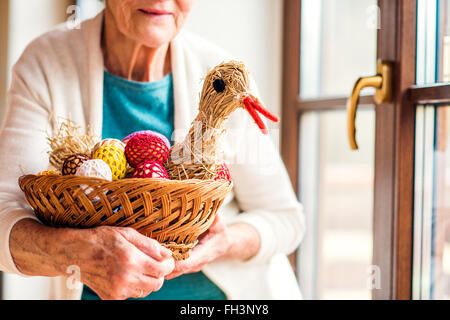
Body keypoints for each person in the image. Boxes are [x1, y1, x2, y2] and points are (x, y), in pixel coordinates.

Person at [0, 0, 305, 300]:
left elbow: (285, 219)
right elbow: (4, 216)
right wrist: (80, 252)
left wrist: (224, 242)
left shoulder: (224, 81)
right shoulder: (47, 60)